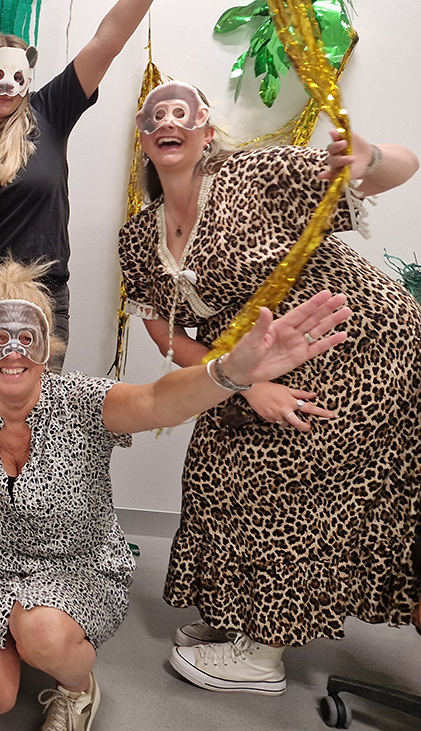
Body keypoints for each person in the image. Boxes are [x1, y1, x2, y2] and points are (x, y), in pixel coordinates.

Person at [0, 260, 351, 729]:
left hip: (76, 563)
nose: (12, 351)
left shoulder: (83, 401)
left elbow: (159, 401)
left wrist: (228, 372)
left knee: (42, 632)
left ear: (47, 347)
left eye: (25, 337)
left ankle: (76, 688)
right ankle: (13, 636)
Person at [117, 81, 421, 695]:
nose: (168, 122)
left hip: (354, 346)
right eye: (156, 116)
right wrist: (242, 385)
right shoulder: (138, 236)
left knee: (279, 476)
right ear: (144, 139)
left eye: (183, 113)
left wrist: (371, 159)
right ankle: (238, 615)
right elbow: (160, 327)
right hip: (256, 362)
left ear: (206, 131)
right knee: (211, 467)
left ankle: (263, 652)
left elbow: (397, 167)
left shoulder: (257, 175)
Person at [0, 0, 229, 379]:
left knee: (37, 418)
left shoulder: (48, 112)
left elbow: (108, 38)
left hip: (43, 297)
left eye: (17, 75)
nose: (5, 85)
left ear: (30, 75)